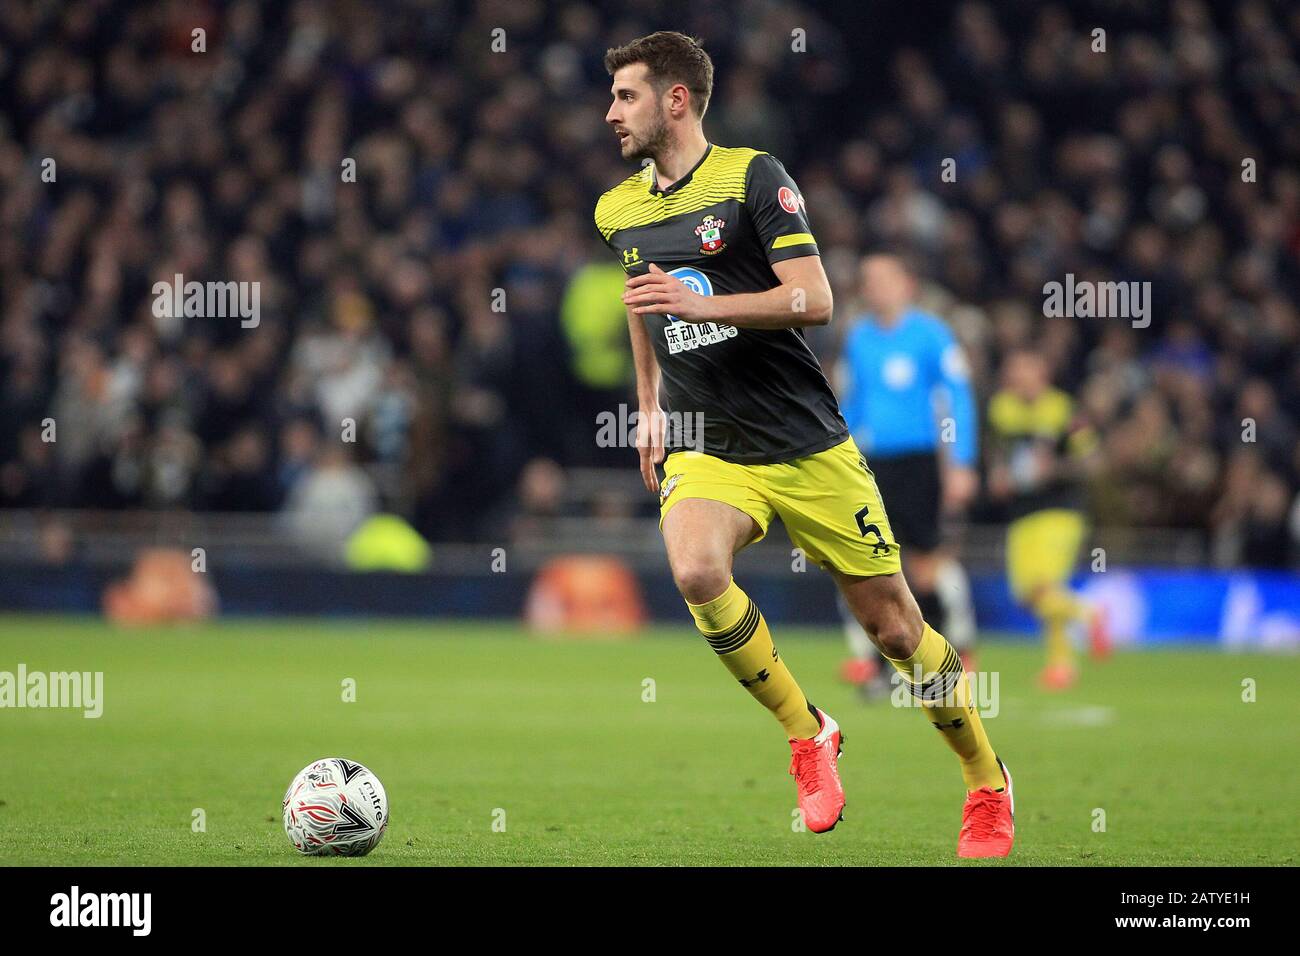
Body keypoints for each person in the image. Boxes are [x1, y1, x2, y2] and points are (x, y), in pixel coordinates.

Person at [595, 31, 1013, 856]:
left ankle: (987, 782)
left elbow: (814, 299)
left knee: (897, 629)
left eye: (626, 96)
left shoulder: (753, 177)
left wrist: (703, 305)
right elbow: (640, 295)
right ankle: (807, 730)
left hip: (806, 441)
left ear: (676, 100)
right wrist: (646, 403)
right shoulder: (618, 209)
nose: (611, 113)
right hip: (710, 442)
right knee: (693, 566)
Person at [836, 253, 981, 698]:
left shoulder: (931, 335)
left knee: (922, 564)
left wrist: (961, 461)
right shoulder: (859, 338)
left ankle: (945, 659)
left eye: (884, 278)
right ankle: (886, 667)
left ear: (907, 284)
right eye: (869, 280)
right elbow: (852, 403)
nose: (875, 287)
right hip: (872, 464)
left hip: (920, 462)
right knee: (875, 566)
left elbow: (957, 397)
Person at [986, 350, 1111, 690]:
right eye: (1013, 368)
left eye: (1024, 367)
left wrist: (1053, 469)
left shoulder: (1064, 410)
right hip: (1022, 513)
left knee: (1040, 587)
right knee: (1031, 594)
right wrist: (998, 473)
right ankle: (1068, 652)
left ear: (1042, 370)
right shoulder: (1002, 409)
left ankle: (1084, 626)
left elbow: (1094, 462)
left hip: (1060, 511)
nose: (1017, 375)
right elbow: (999, 452)